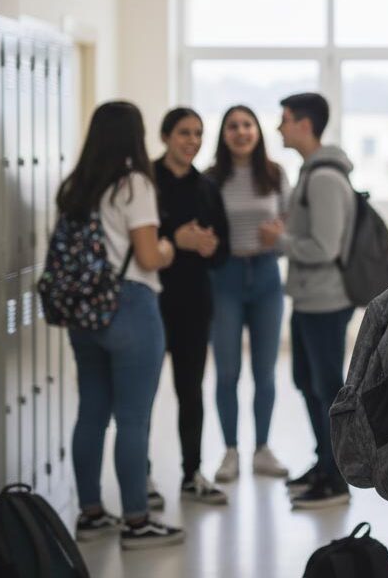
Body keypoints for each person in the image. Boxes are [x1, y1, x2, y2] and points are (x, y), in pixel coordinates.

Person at [59, 101, 185, 550]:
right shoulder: (134, 184)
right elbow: (149, 257)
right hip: (130, 306)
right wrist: (170, 247)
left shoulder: (77, 187)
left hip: (84, 311)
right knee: (133, 418)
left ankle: (91, 513)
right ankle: (137, 521)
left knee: (91, 412)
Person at [259, 93, 357, 510]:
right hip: (308, 298)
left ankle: (335, 480)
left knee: (325, 388)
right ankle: (323, 464)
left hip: (326, 300)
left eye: (284, 120)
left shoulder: (324, 179)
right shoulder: (311, 174)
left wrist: (278, 241)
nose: (279, 128)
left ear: (304, 124)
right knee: (308, 383)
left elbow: (326, 246)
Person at [148, 107, 230, 506]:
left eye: (198, 134)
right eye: (184, 133)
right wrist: (174, 239)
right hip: (151, 302)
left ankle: (191, 473)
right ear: (165, 136)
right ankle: (141, 477)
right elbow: (137, 244)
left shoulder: (207, 188)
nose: (192, 141)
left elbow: (223, 251)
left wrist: (209, 247)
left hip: (195, 304)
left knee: (190, 391)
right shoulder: (144, 181)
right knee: (142, 394)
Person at [207, 105, 292, 483]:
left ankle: (261, 449)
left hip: (266, 275)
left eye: (247, 125)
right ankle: (228, 451)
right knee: (227, 371)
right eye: (233, 126)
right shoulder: (211, 178)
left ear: (257, 132)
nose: (241, 132)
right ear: (224, 134)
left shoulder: (274, 174)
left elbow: (291, 219)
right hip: (224, 276)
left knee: (265, 371)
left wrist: (280, 233)